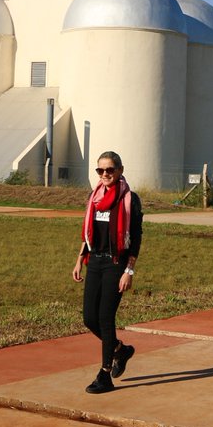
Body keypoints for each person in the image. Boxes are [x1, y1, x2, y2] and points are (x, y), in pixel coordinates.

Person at [71, 151, 143, 394]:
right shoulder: (94, 197)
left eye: (110, 170)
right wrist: (80, 259)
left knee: (105, 317)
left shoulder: (130, 199)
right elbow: (88, 233)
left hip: (115, 264)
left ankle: (104, 375)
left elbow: (136, 238)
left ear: (120, 170)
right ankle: (120, 350)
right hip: (95, 262)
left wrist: (129, 270)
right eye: (100, 171)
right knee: (89, 318)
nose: (105, 175)